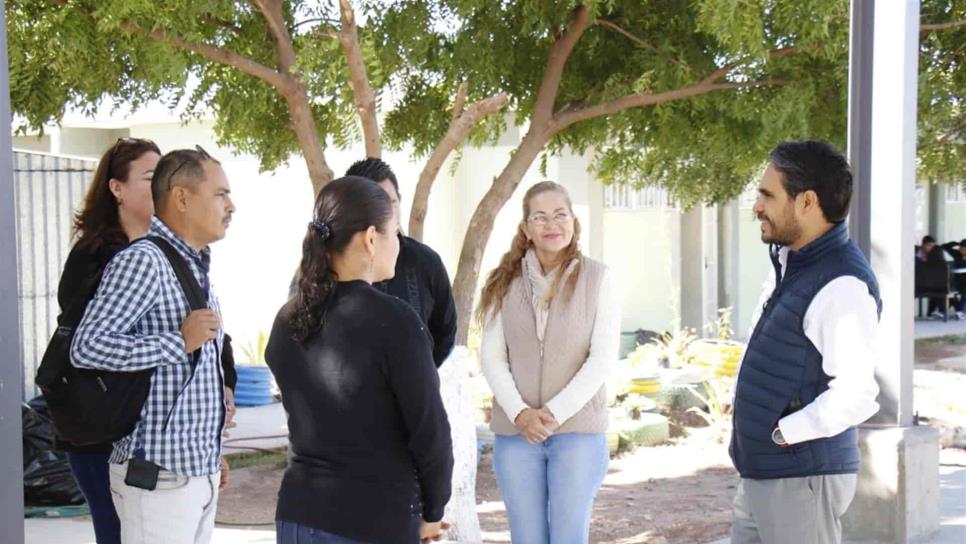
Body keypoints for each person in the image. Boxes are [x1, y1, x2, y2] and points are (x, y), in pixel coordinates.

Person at [265, 176, 454, 544]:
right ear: (371, 238)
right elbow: (430, 432)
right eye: (394, 234)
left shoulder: (289, 318)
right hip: (373, 519)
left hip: (298, 517)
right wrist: (434, 511)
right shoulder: (395, 321)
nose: (398, 245)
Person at [72, 146, 235, 543]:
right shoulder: (144, 261)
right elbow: (87, 346)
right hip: (158, 479)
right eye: (220, 194)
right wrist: (177, 342)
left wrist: (210, 453)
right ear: (181, 198)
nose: (232, 205)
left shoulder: (193, 263)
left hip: (195, 473)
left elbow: (188, 382)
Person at [731, 140, 881, 544]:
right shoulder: (792, 265)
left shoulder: (841, 283)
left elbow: (856, 393)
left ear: (807, 202)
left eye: (767, 195)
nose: (756, 207)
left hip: (801, 480)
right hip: (764, 474)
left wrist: (782, 433)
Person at [477, 181, 620, 544]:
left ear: (573, 221)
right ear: (526, 229)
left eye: (560, 215)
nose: (551, 224)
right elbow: (492, 356)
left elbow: (601, 358)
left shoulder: (598, 279)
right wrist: (521, 414)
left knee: (568, 536)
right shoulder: (502, 282)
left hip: (577, 434)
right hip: (516, 434)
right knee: (526, 538)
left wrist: (552, 413)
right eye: (539, 217)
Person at [345, 157, 457, 366]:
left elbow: (445, 332)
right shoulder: (334, 264)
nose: (386, 214)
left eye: (391, 202)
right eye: (376, 204)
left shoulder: (426, 262)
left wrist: (416, 376)